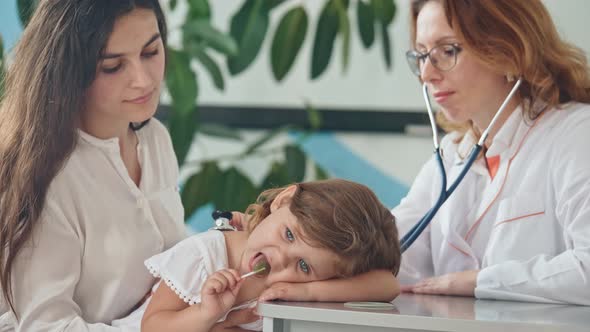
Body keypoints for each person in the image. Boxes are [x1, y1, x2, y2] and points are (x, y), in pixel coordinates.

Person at [0, 1, 189, 330]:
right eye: (113, 66)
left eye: (150, 52)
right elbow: (44, 326)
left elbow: (170, 266)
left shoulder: (156, 140)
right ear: (70, 71)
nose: (143, 80)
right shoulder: (50, 176)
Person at [393, 0, 590, 304]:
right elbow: (390, 254)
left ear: (509, 52)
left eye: (448, 51)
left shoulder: (576, 134)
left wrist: (480, 282)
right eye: (421, 55)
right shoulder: (450, 155)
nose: (427, 74)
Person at [104, 179, 401, 331]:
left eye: (303, 265)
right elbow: (152, 327)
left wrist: (308, 289)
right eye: (288, 234)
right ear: (282, 200)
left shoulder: (292, 284)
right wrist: (205, 315)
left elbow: (387, 284)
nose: (282, 259)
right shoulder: (205, 255)